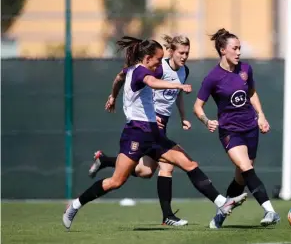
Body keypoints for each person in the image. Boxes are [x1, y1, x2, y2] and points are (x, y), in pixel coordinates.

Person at [62, 36, 247, 230]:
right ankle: (75, 206)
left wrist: (114, 96)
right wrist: (177, 85)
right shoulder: (141, 71)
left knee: (189, 164)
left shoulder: (143, 68)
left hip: (154, 135)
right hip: (135, 134)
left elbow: (118, 78)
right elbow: (151, 81)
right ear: (148, 58)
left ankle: (221, 202)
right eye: (158, 60)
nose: (161, 64)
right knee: (116, 181)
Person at [88, 35, 192, 226]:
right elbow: (129, 77)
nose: (185, 56)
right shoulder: (148, 69)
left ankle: (105, 160)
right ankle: (169, 215)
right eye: (181, 52)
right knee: (172, 166)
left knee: (144, 172)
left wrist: (184, 116)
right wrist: (113, 95)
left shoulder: (182, 71)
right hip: (143, 126)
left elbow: (176, 96)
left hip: (153, 126)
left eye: (187, 52)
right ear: (170, 52)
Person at [193, 28, 280, 228]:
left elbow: (251, 93)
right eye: (235, 48)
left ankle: (222, 213)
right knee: (246, 168)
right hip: (230, 131)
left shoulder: (245, 70)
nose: (239, 52)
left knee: (241, 177)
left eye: (240, 48)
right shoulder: (213, 77)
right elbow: (197, 107)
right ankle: (270, 211)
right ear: (223, 50)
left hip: (251, 128)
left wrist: (261, 116)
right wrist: (206, 121)